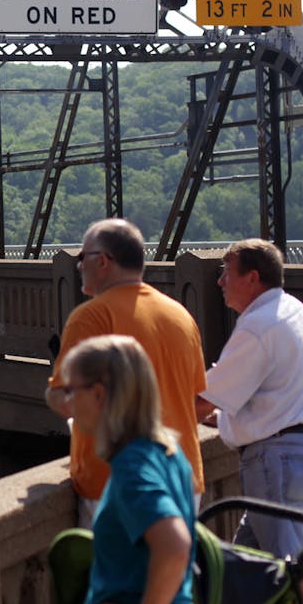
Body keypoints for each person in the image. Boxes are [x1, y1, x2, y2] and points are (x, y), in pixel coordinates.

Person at [196, 238, 303, 604]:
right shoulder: (293, 309)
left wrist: (147, 417)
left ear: (252, 278)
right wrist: (228, 420)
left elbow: (201, 401)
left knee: (289, 567)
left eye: (226, 271)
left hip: (274, 459)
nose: (219, 281)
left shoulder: (256, 325)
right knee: (251, 563)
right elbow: (272, 395)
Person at [46, 218, 208, 528]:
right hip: (181, 478)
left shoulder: (91, 317)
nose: (78, 266)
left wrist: (55, 397)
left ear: (103, 261)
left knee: (117, 576)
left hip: (114, 483)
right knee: (173, 575)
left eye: (82, 258)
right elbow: (196, 402)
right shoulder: (180, 316)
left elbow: (65, 398)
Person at [59, 334, 200, 604]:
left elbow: (174, 545)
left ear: (98, 395)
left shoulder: (132, 467)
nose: (67, 402)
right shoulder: (167, 452)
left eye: (71, 390)